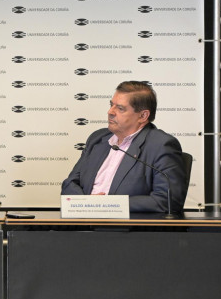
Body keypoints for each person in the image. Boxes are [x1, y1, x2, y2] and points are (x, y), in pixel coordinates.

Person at [61, 81, 187, 213]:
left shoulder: (161, 145)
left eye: (120, 108)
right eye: (111, 105)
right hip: (81, 224)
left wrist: (107, 205)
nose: (110, 112)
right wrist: (86, 205)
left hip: (124, 229)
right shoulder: (97, 139)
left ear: (143, 116)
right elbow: (69, 184)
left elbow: (167, 201)